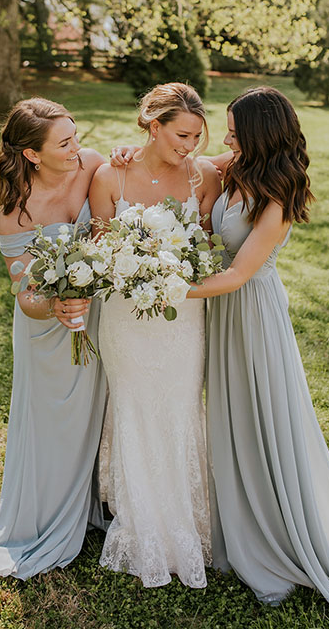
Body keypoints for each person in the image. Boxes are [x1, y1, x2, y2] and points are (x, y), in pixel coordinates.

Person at [187, 86, 329, 609]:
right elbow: (189, 160)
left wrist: (162, 286)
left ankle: (275, 535)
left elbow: (240, 273)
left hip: (252, 309)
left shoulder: (280, 192)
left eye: (233, 131)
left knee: (260, 414)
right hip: (224, 309)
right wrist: (129, 154)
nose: (225, 139)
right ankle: (239, 519)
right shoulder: (238, 163)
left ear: (260, 136)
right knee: (231, 414)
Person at [89, 82, 221, 588]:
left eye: (196, 136)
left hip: (183, 318)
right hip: (125, 318)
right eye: (180, 135)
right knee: (135, 406)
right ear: (152, 124)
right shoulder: (110, 175)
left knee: (181, 406)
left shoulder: (203, 175)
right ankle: (140, 521)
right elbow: (101, 252)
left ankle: (186, 521)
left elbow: (207, 245)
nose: (189, 146)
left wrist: (177, 265)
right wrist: (134, 265)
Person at [0, 97, 108, 580]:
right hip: (46, 332)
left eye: (76, 135)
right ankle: (48, 515)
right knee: (52, 424)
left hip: (95, 319)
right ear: (33, 154)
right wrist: (53, 305)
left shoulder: (93, 165)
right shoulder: (16, 213)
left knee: (99, 412)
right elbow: (25, 296)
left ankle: (98, 502)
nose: (77, 147)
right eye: (65, 142)